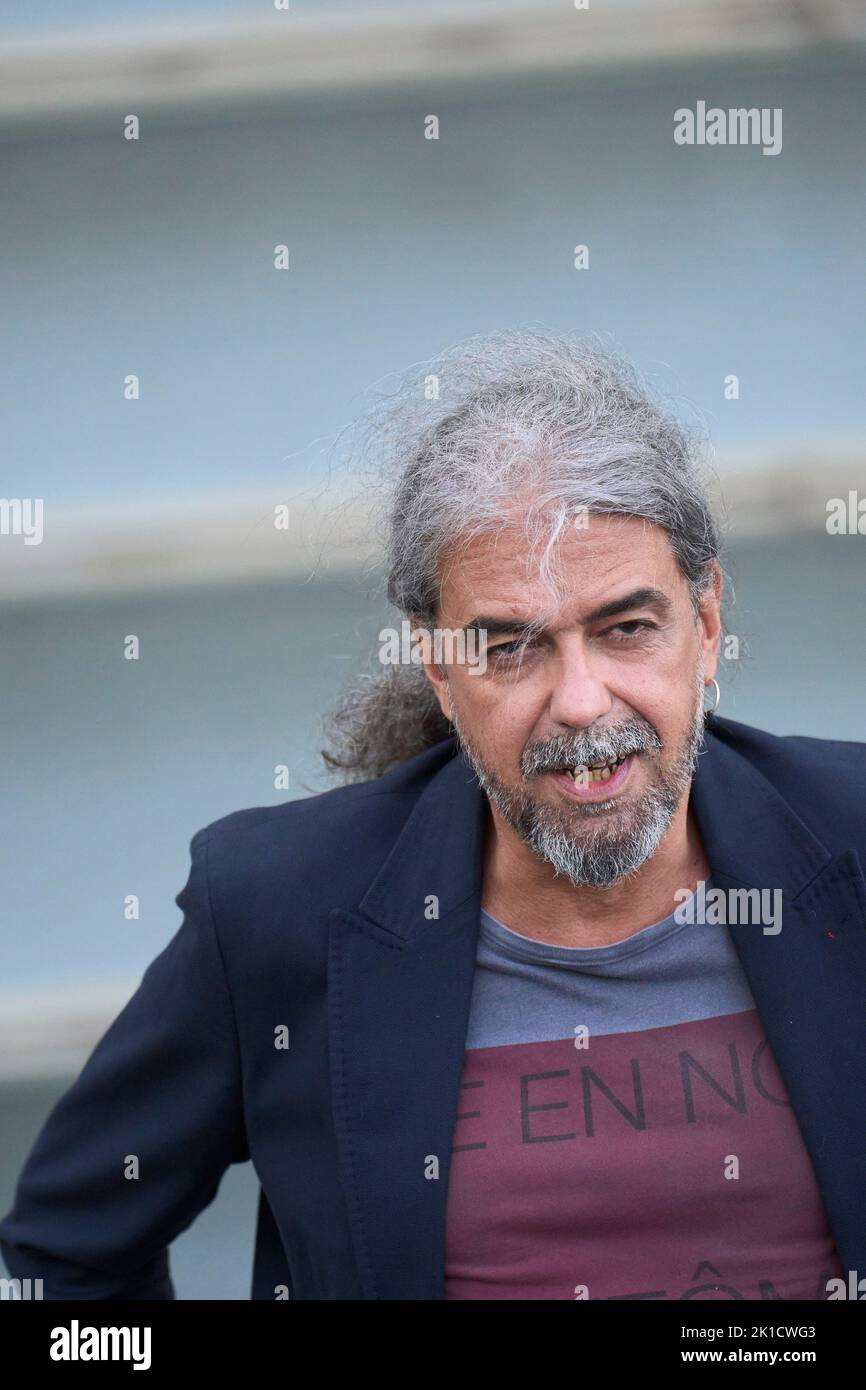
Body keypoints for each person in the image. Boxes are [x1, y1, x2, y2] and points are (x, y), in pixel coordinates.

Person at [2, 329, 864, 1301]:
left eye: (624, 628)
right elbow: (68, 1251)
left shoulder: (852, 839)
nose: (580, 700)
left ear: (704, 625)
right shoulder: (274, 911)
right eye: (509, 647)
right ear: (438, 668)